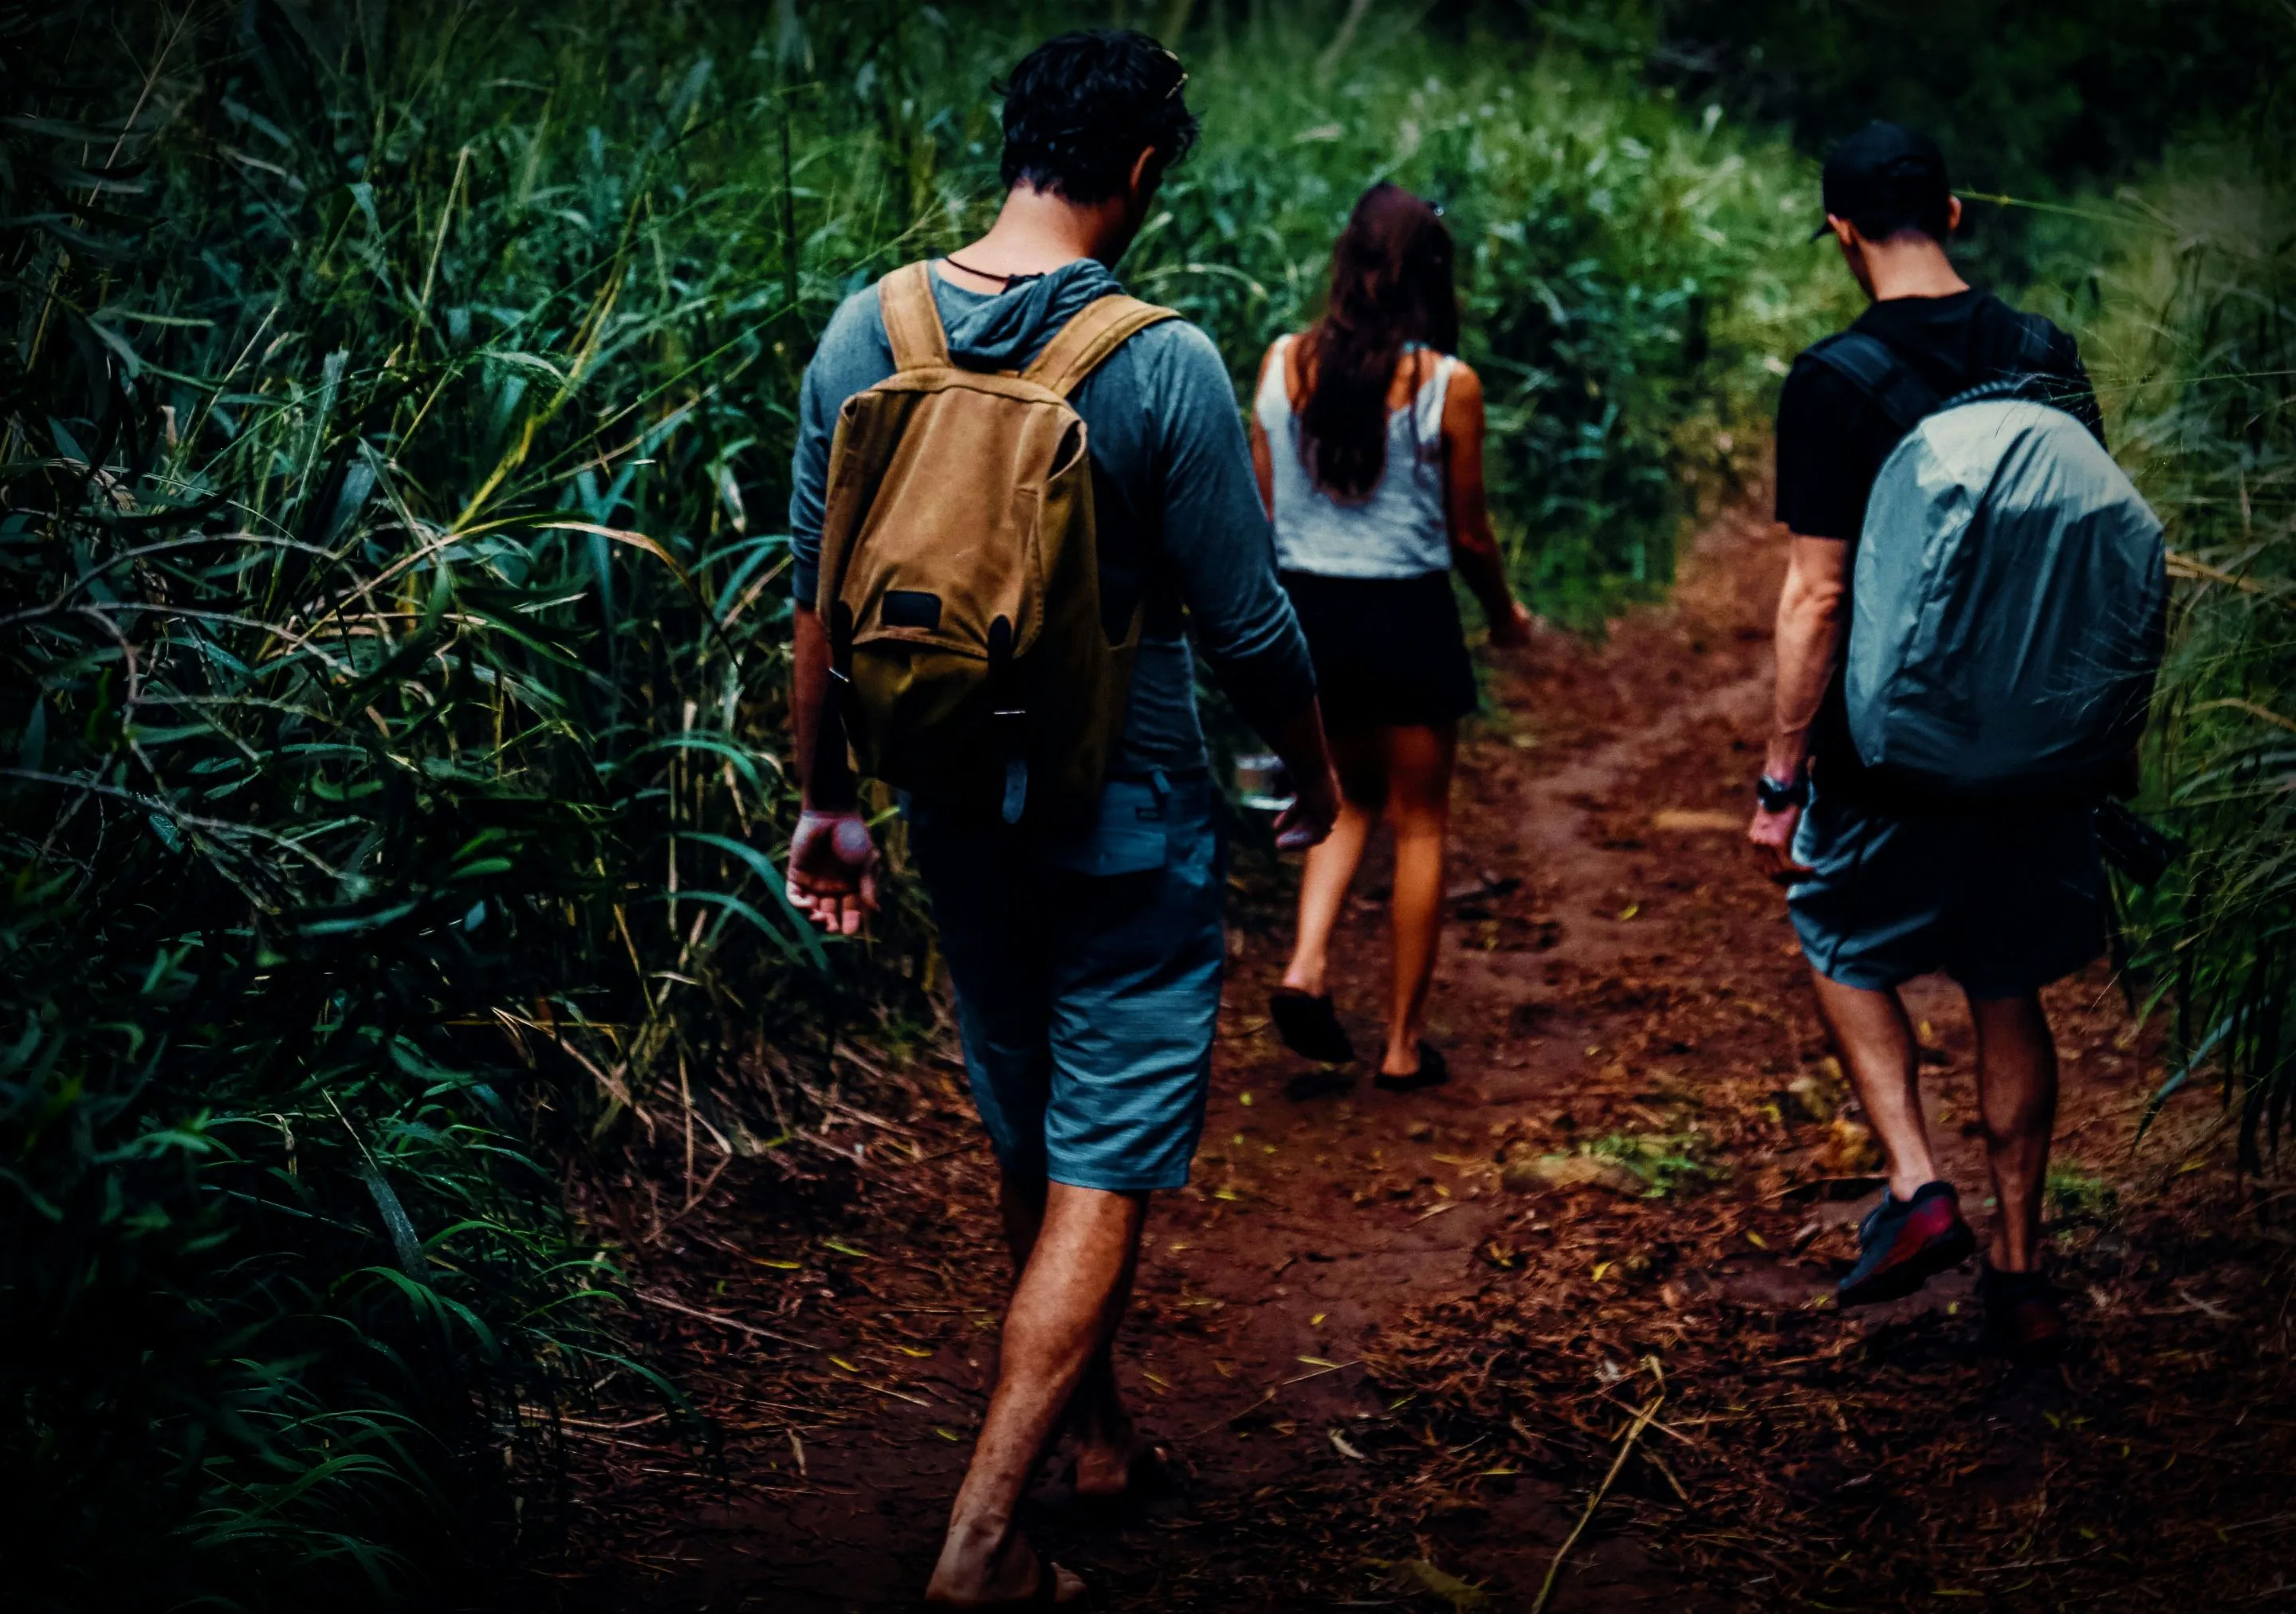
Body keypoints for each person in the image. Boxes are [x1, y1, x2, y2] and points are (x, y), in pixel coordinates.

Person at [781, 30, 1341, 1610]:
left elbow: (815, 599)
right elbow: (1248, 627)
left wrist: (828, 800)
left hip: (949, 795)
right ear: (1143, 170)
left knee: (1033, 1121)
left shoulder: (866, 329)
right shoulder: (1155, 358)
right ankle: (976, 1537)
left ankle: (1092, 1439)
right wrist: (1315, 770)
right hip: (1133, 803)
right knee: (1102, 1159)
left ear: (1015, 140)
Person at [1746, 121, 2109, 1358]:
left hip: (1891, 746)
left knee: (1838, 933)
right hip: (2037, 737)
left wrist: (1780, 777)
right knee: (2006, 979)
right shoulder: (2044, 354)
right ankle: (2021, 1267)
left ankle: (1918, 1186)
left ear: (1842, 232)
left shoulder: (1834, 380)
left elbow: (1819, 597)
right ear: (1952, 212)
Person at [1248, 183, 1533, 1090]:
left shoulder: (1281, 365)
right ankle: (1406, 1047)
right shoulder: (1449, 385)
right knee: (1420, 826)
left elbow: (1262, 512)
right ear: (1431, 276)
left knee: (1338, 799)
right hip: (1407, 618)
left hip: (1308, 618)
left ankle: (1305, 965)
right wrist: (1504, 615)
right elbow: (1470, 536)